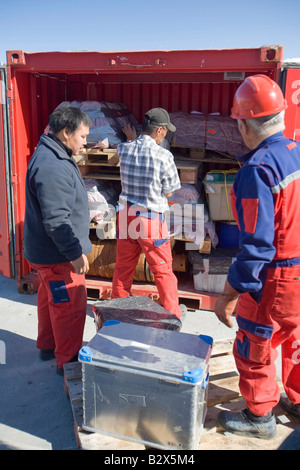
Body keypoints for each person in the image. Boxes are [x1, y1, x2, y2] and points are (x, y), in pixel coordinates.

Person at [214, 74, 300, 439]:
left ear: (246, 123)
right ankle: (295, 400)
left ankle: (259, 415)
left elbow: (257, 247)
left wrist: (229, 295)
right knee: (296, 338)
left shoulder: (256, 171)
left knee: (254, 341)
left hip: (275, 277)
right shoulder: (296, 152)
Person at [24, 106, 92, 375]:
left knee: (48, 298)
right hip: (59, 257)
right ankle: (68, 362)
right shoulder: (53, 166)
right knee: (69, 307)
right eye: (83, 136)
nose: (86, 142)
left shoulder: (51, 153)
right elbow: (57, 221)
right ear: (66, 133)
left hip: (45, 253)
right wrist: (74, 253)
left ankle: (48, 345)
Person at [111, 108, 184, 320]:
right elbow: (170, 190)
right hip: (150, 218)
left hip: (126, 215)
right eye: (165, 131)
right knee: (162, 269)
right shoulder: (164, 156)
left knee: (123, 267)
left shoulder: (123, 149)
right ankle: (172, 315)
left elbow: (132, 148)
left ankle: (117, 309)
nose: (166, 135)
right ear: (159, 130)